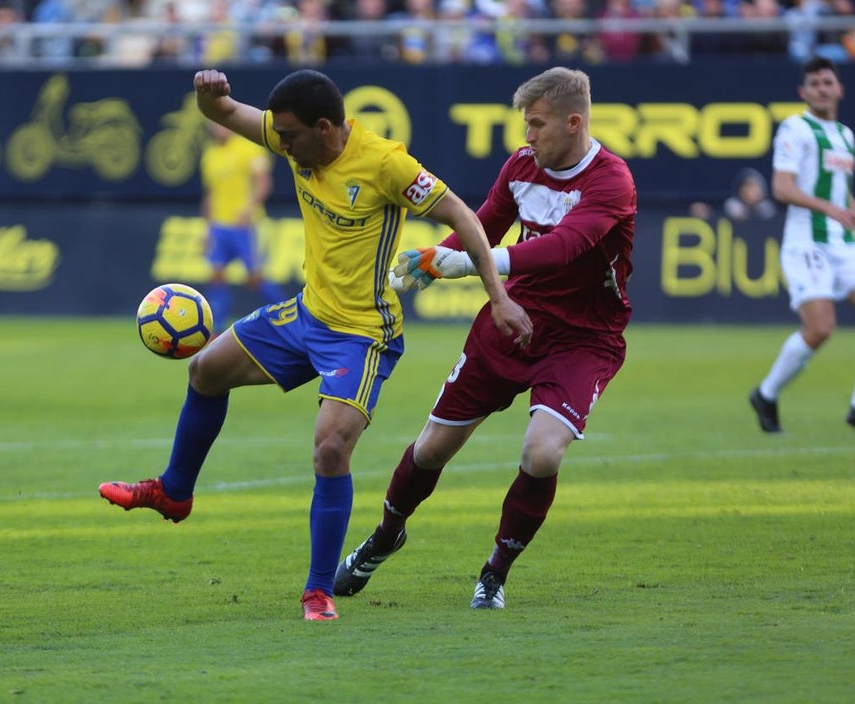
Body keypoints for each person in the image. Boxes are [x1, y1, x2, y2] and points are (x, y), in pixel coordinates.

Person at [99, 68, 533, 622]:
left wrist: (497, 295)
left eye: (291, 137)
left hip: (362, 335)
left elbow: (462, 216)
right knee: (205, 370)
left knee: (330, 450)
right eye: (278, 135)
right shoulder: (291, 137)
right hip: (306, 315)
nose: (282, 146)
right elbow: (225, 114)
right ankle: (174, 492)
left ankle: (318, 590)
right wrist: (209, 99)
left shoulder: (386, 164)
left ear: (325, 127)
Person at [333, 66, 637, 611]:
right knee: (431, 449)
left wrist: (472, 265)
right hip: (510, 322)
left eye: (538, 125)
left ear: (574, 123)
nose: (528, 136)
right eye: (525, 124)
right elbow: (487, 222)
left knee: (542, 454)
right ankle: (386, 534)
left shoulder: (610, 181)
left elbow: (566, 246)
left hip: (582, 339)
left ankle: (494, 573)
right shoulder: (522, 166)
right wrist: (436, 255)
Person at [749, 56, 855, 433]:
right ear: (803, 92)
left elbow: (843, 195)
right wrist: (827, 207)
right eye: (815, 84)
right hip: (807, 243)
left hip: (844, 242)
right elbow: (782, 187)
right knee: (821, 328)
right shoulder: (796, 128)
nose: (822, 89)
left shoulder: (846, 135)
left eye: (828, 82)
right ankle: (766, 393)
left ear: (839, 89)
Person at [199, 119, 283, 334]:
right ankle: (215, 330)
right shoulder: (210, 155)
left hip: (245, 226)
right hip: (219, 226)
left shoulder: (248, 149)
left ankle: (285, 316)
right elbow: (210, 194)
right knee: (216, 276)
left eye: (221, 124)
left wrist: (250, 207)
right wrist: (206, 228)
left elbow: (264, 183)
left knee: (255, 279)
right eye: (215, 125)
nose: (218, 128)